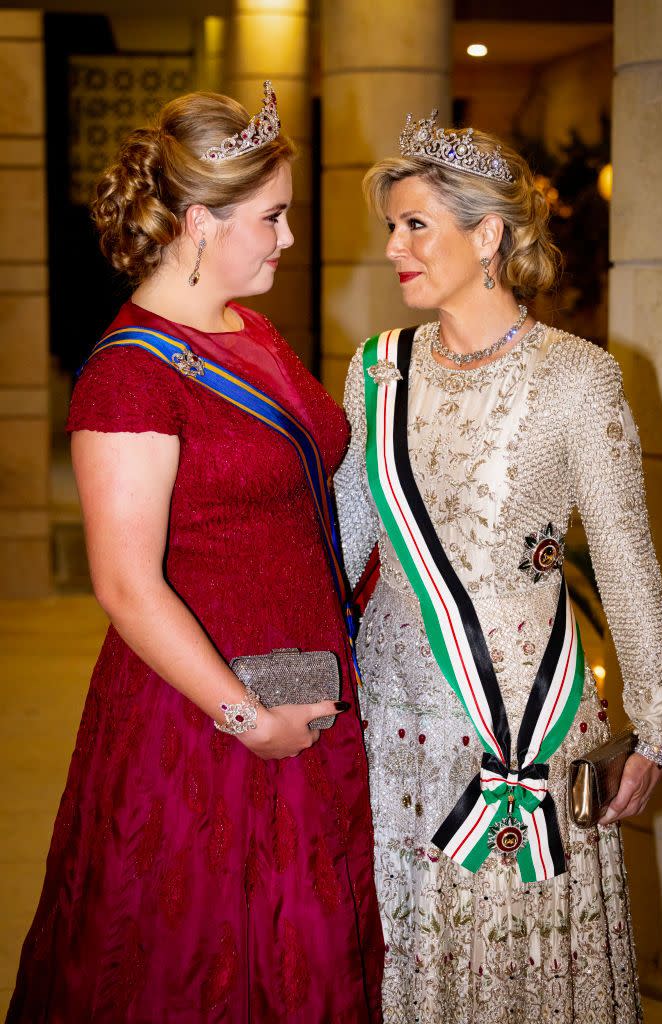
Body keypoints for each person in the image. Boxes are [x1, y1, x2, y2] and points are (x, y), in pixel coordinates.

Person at [8, 84, 383, 1023]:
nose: (287, 238)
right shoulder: (129, 375)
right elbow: (127, 587)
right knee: (204, 958)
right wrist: (245, 719)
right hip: (206, 715)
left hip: (311, 681)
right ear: (198, 221)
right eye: (272, 217)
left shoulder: (247, 330)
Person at [333, 112, 662, 1023]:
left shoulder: (578, 376)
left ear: (486, 234)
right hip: (393, 724)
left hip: (520, 723)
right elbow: (342, 540)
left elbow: (626, 561)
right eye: (391, 224)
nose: (392, 246)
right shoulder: (376, 371)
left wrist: (655, 729)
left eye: (414, 224)